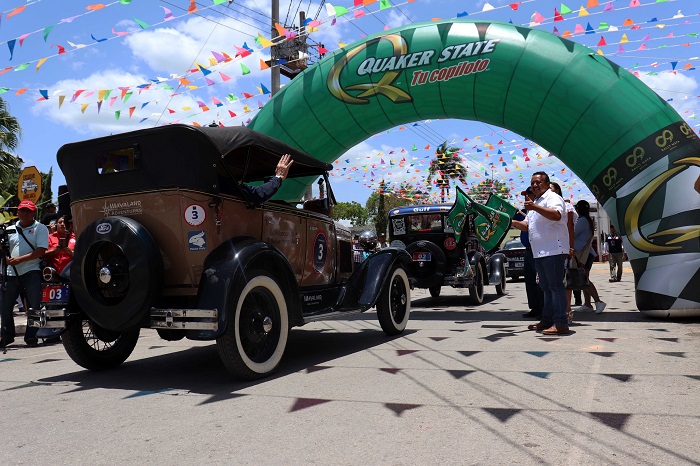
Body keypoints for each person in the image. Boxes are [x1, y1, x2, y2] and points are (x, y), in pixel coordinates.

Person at [512, 172, 571, 335]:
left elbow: (556, 215)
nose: (534, 185)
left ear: (547, 183)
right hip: (539, 252)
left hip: (553, 250)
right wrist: (513, 222)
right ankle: (547, 320)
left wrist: (534, 207)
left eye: (538, 182)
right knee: (546, 287)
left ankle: (561, 322)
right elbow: (527, 225)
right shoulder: (536, 202)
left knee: (555, 287)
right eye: (532, 182)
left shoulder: (552, 198)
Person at [0, 200, 49, 348]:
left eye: (28, 211)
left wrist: (19, 260)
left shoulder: (40, 228)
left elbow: (41, 251)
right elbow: (4, 248)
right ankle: (7, 335)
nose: (25, 213)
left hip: (32, 271)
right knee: (5, 305)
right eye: (22, 210)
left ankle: (33, 336)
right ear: (18, 212)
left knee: (35, 306)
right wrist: (6, 257)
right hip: (11, 273)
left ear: (34, 213)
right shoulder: (9, 229)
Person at [550, 182, 578, 323]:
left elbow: (570, 227)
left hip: (562, 248)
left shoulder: (566, 207)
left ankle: (567, 310)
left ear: (558, 191)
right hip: (548, 249)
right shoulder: (542, 206)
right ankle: (552, 312)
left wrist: (571, 247)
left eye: (551, 189)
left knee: (564, 281)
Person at [572, 200, 607, 314]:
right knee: (583, 279)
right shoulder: (587, 220)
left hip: (582, 255)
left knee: (583, 279)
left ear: (578, 209)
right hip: (586, 254)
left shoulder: (582, 221)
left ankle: (598, 302)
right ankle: (587, 304)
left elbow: (572, 234)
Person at [518, 187, 544, 319]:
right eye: (525, 196)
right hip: (528, 250)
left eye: (529, 195)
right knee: (530, 280)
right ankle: (534, 307)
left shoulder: (540, 211)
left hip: (538, 249)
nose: (526, 198)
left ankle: (543, 309)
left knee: (540, 281)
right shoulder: (525, 212)